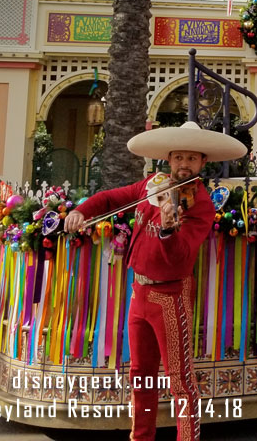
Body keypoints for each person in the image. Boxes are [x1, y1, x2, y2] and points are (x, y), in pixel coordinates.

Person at [63, 121, 246, 441]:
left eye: (192, 158)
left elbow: (180, 256)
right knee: (140, 375)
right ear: (169, 159)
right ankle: (141, 436)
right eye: (178, 157)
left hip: (170, 296)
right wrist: (82, 210)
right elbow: (109, 199)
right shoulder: (154, 184)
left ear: (203, 163)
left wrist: (167, 230)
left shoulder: (200, 203)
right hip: (139, 292)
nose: (184, 164)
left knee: (180, 379)